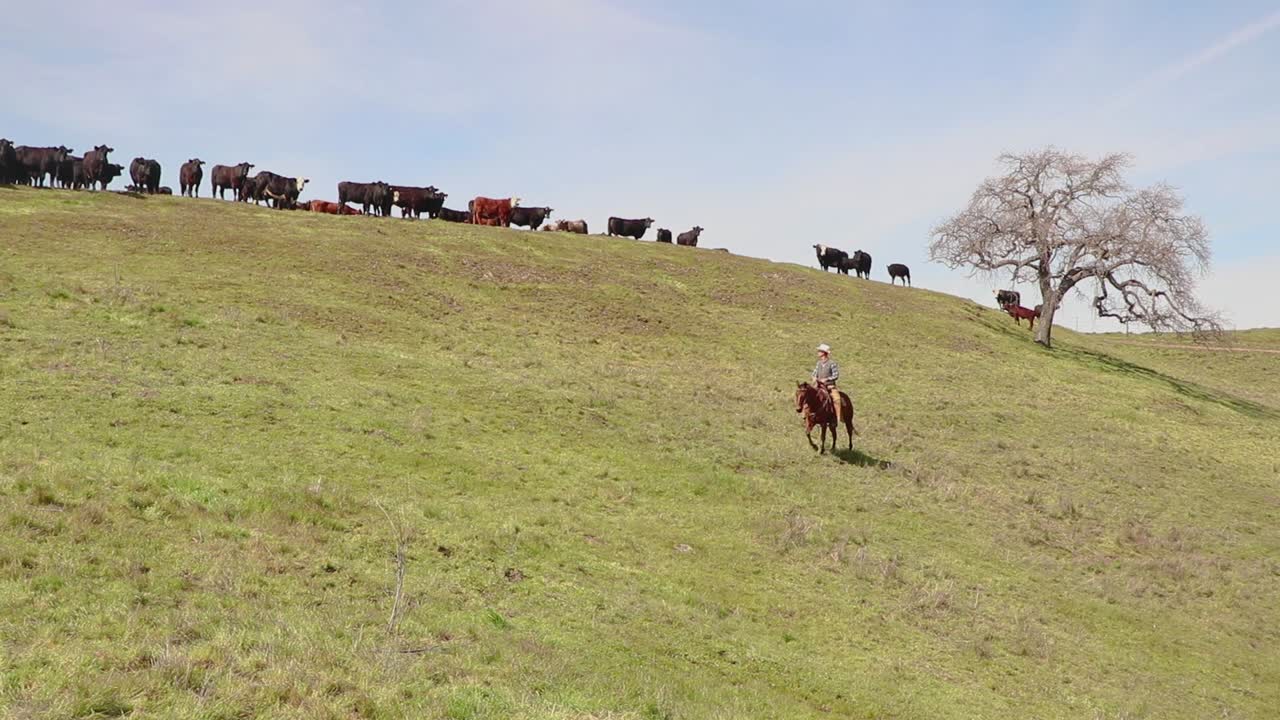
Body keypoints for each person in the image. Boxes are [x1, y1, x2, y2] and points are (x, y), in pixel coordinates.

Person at [811, 343, 845, 422]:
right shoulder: (818, 363)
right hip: (819, 386)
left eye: (819, 351)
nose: (818, 352)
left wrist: (826, 379)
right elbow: (814, 373)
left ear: (824, 353)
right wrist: (814, 377)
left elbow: (835, 375)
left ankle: (838, 417)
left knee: (837, 399)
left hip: (829, 386)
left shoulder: (832, 363)